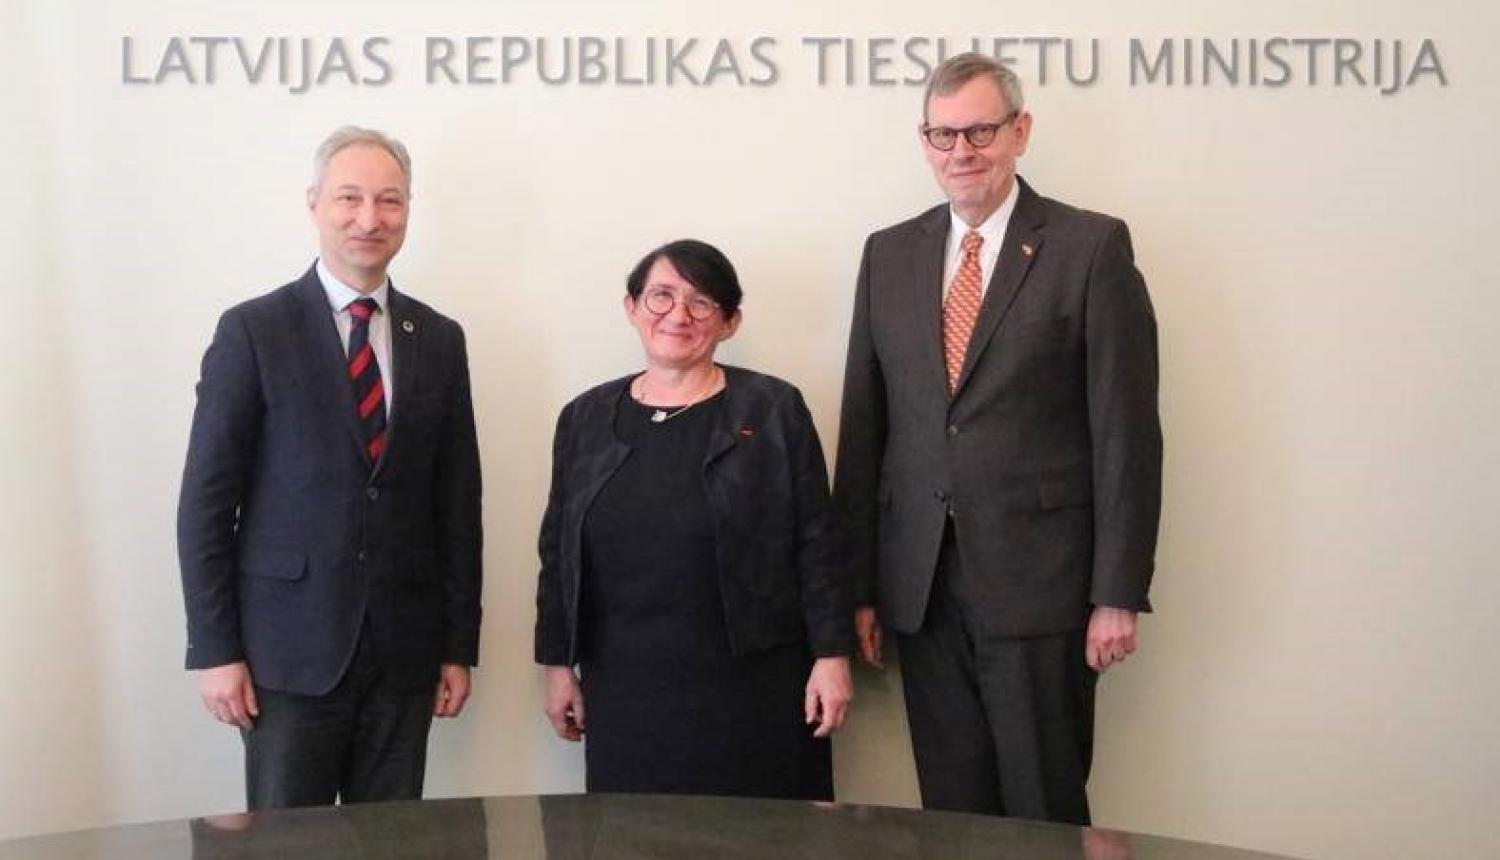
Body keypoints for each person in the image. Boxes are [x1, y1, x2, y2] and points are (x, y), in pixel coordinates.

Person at [832, 53, 1162, 823]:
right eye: (943, 135)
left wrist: (1117, 592)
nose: (961, 151)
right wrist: (859, 587)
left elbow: (1127, 433)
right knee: (953, 812)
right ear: (924, 141)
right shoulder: (889, 253)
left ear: (1020, 131)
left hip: (1043, 585)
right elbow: (865, 428)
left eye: (980, 131)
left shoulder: (1089, 247)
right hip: (921, 588)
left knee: (1043, 807)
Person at [177, 126, 483, 809]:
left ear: (408, 210)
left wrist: (457, 645)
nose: (370, 218)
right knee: (288, 845)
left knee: (393, 846)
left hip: (404, 655)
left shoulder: (439, 339)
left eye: (389, 200)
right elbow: (206, 504)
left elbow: (458, 506)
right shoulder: (254, 330)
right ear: (314, 202)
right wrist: (216, 649)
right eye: (350, 197)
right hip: (287, 655)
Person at [535, 239, 854, 800]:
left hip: (755, 682)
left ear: (730, 322)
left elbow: (817, 540)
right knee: (634, 833)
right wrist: (557, 665)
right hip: (625, 685)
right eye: (661, 295)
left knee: (766, 834)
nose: (678, 315)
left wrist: (832, 656)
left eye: (701, 301)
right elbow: (557, 552)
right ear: (632, 307)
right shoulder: (584, 418)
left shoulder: (772, 409)